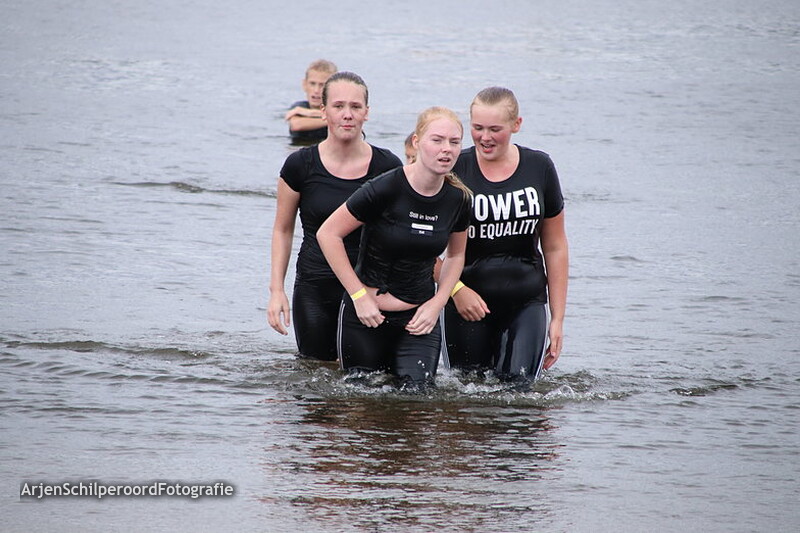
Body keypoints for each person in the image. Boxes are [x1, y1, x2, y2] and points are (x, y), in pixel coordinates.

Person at [317, 106, 472, 389]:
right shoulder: (386, 187)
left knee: (418, 402)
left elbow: (456, 254)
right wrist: (358, 295)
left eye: (454, 142)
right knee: (361, 407)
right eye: (437, 140)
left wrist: (438, 303)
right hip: (366, 317)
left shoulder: (457, 199)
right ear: (416, 142)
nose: (446, 150)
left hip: (419, 321)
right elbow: (328, 234)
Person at [268, 71, 403, 361]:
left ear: (367, 113)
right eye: (339, 106)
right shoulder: (299, 165)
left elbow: (401, 234)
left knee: (369, 382)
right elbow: (282, 230)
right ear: (323, 111)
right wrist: (276, 290)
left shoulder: (388, 166)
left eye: (355, 107)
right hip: (315, 288)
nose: (347, 115)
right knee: (317, 379)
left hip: (371, 289)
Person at [441, 86, 569, 383]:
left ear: (516, 125)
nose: (485, 137)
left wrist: (558, 318)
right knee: (467, 399)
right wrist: (457, 291)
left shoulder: (539, 167)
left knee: (518, 393)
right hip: (466, 304)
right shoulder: (453, 170)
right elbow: (423, 250)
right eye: (477, 128)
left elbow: (555, 246)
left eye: (495, 129)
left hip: (526, 301)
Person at [284, 59, 337, 144]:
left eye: (322, 85)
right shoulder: (300, 106)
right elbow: (296, 125)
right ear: (305, 85)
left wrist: (309, 113)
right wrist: (333, 120)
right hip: (300, 149)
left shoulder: (337, 108)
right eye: (312, 84)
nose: (316, 90)